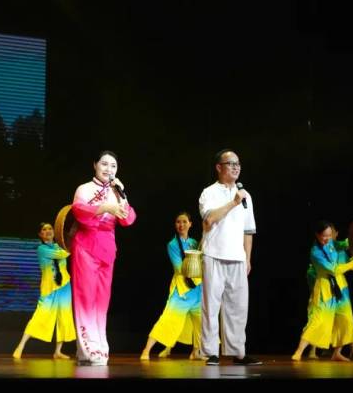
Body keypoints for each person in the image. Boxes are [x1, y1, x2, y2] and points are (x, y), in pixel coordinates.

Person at [70, 150, 136, 366]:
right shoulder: (84, 188)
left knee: (101, 300)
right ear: (95, 165)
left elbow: (128, 219)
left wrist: (122, 195)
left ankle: (97, 347)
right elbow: (79, 211)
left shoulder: (117, 191)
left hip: (107, 247)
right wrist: (105, 207)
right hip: (86, 245)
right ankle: (89, 348)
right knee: (85, 297)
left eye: (113, 166)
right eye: (104, 164)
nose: (109, 169)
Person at [198, 149, 261, 366]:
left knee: (238, 307)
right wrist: (233, 202)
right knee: (211, 305)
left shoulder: (246, 196)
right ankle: (210, 352)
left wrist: (247, 258)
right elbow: (208, 221)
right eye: (231, 163)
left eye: (238, 164)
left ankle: (238, 353)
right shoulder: (209, 193)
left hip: (237, 257)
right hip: (213, 254)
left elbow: (248, 231)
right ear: (219, 167)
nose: (236, 167)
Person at [291, 220, 353, 361]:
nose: (328, 239)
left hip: (340, 287)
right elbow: (333, 269)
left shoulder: (331, 243)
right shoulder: (315, 252)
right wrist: (352, 264)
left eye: (330, 235)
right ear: (317, 235)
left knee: (346, 319)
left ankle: (337, 353)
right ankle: (299, 352)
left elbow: (345, 243)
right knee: (317, 320)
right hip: (325, 289)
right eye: (325, 236)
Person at [140, 212, 203, 360]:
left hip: (197, 290)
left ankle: (195, 351)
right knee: (168, 320)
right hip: (182, 289)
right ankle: (146, 350)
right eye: (178, 222)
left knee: (201, 323)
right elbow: (180, 268)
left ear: (190, 224)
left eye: (184, 222)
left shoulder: (194, 243)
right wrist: (197, 266)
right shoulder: (173, 245)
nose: (181, 225)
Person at [13, 222, 76, 359]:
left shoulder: (59, 246)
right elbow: (63, 254)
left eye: (50, 228)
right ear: (40, 234)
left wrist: (70, 238)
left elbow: (64, 252)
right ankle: (21, 346)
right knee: (40, 315)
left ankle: (57, 351)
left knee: (64, 317)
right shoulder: (41, 249)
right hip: (49, 288)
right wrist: (70, 239)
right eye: (44, 229)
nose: (48, 231)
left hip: (64, 286)